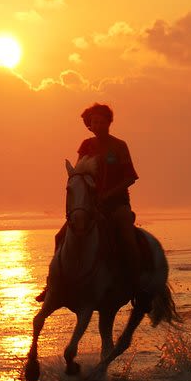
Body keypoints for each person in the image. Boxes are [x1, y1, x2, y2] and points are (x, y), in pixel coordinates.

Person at [36, 103, 148, 302]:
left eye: (102, 121)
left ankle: (137, 284)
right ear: (89, 124)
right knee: (59, 236)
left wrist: (109, 194)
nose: (98, 125)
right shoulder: (86, 145)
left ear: (109, 122)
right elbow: (79, 172)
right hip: (91, 206)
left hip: (117, 203)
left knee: (127, 238)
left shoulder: (119, 146)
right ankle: (51, 284)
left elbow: (130, 177)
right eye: (94, 122)